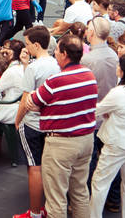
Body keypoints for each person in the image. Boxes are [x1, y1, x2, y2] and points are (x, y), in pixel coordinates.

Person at [24, 34, 98, 218]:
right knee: (80, 193)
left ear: (64, 54)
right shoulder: (89, 76)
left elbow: (32, 101)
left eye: (56, 50)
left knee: (56, 199)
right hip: (86, 140)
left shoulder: (56, 81)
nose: (55, 53)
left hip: (61, 144)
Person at [89, 55, 125, 218]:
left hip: (117, 145)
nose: (117, 68)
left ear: (124, 72)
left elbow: (96, 111)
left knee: (100, 183)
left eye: (119, 66)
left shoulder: (118, 93)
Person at [13, 26, 60, 218]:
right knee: (48, 166)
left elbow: (25, 100)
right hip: (50, 123)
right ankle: (50, 207)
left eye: (28, 44)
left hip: (32, 123)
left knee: (34, 167)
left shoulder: (33, 68)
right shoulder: (57, 64)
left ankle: (34, 212)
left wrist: (17, 122)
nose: (26, 48)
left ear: (37, 45)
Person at [81, 17, 120, 208]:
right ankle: (113, 199)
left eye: (88, 29)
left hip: (91, 115)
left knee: (90, 159)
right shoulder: (114, 55)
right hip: (110, 116)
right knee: (110, 158)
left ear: (93, 33)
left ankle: (88, 199)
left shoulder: (87, 59)